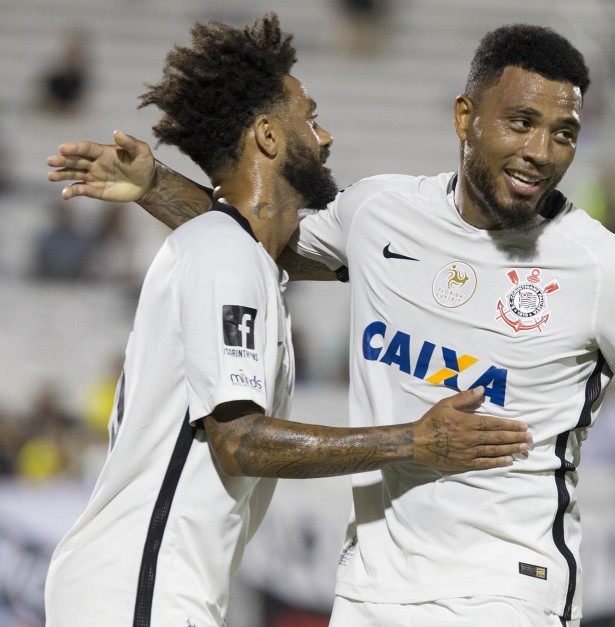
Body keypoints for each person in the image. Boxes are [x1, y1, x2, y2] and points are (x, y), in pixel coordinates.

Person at [48, 21, 615, 625]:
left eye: (564, 133)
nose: (542, 150)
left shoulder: (605, 270)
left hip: (505, 592)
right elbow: (260, 237)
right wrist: (155, 183)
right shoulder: (378, 215)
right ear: (464, 117)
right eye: (521, 123)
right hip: (370, 593)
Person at [41, 15, 531, 627]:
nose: (325, 136)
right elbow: (240, 440)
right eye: (310, 116)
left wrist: (155, 185)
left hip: (146, 587)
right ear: (269, 137)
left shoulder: (239, 256)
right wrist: (415, 441)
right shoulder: (225, 255)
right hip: (140, 590)